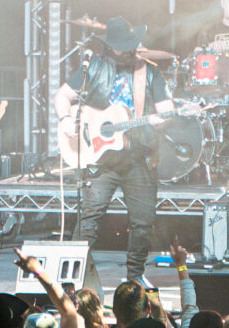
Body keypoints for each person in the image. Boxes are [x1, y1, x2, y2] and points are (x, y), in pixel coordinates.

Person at [57, 17, 182, 289]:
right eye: (120, 46)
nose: (125, 51)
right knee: (89, 217)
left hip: (139, 156)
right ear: (109, 46)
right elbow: (62, 96)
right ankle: (73, 276)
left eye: (128, 45)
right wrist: (66, 120)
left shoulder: (149, 72)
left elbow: (166, 109)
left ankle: (134, 279)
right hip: (101, 157)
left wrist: (165, 119)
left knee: (142, 222)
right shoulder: (95, 67)